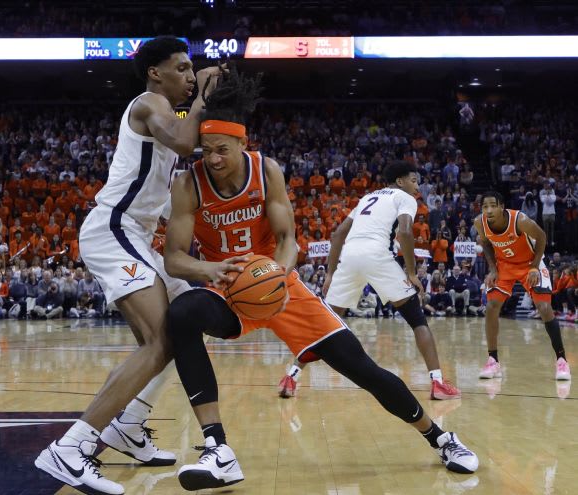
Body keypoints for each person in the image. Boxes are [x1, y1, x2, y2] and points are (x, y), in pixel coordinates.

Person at [163, 68, 477, 491]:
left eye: (221, 149)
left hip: (277, 282)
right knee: (182, 313)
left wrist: (275, 275)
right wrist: (211, 271)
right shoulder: (188, 183)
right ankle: (218, 449)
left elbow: (288, 240)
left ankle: (441, 439)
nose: (212, 159)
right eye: (205, 150)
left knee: (362, 369)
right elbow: (175, 259)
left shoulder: (265, 170)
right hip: (226, 288)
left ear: (242, 142)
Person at [34, 36, 223, 495]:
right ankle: (71, 448)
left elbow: (187, 154)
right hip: (115, 228)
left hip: (134, 233)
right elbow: (183, 142)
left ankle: (130, 426)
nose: (187, 76)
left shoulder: (167, 116)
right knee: (160, 340)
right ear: (155, 72)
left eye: (190, 69)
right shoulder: (149, 102)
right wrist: (202, 97)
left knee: (179, 331)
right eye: (180, 68)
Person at [280, 161, 460, 401]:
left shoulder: (367, 197)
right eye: (414, 180)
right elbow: (406, 232)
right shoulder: (404, 197)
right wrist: (412, 273)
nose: (418, 186)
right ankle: (438, 383)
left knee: (323, 327)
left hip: (350, 257)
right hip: (377, 256)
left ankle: (291, 377)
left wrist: (331, 273)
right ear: (400, 181)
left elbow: (337, 234)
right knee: (417, 320)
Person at [474, 191, 570, 381]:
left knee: (544, 308)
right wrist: (493, 270)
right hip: (505, 266)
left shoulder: (520, 220)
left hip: (529, 264)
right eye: (485, 207)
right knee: (492, 307)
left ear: (502, 207)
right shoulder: (480, 223)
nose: (489, 210)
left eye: (493, 206)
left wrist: (534, 267)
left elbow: (541, 236)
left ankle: (562, 361)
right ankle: (493, 361)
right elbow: (485, 244)